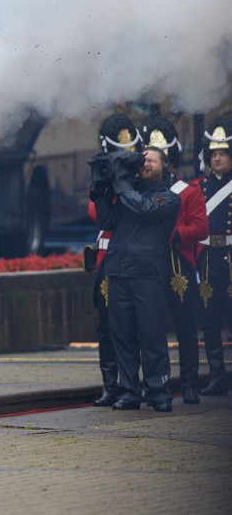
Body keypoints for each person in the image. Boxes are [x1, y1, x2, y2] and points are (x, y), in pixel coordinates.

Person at [90, 145, 180, 412]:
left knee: (151, 336)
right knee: (123, 336)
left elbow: (147, 209)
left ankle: (158, 391)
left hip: (147, 275)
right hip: (119, 272)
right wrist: (102, 189)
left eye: (152, 160)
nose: (146, 163)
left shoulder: (169, 198)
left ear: (165, 167)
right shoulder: (125, 195)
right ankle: (129, 392)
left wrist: (121, 186)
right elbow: (105, 220)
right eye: (143, 160)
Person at [140, 115, 208, 403]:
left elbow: (201, 227)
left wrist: (175, 235)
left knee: (185, 326)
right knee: (150, 328)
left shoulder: (189, 192)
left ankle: (190, 384)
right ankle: (155, 384)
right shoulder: (140, 193)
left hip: (178, 262)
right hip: (151, 263)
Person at [86, 113, 142, 406]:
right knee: (107, 325)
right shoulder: (105, 175)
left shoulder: (140, 175)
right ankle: (111, 385)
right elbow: (97, 214)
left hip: (134, 257)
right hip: (109, 259)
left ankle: (134, 384)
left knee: (136, 325)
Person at [193, 113, 232, 396]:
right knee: (209, 320)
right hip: (208, 259)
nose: (217, 158)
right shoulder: (201, 186)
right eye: (214, 153)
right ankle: (217, 376)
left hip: (231, 257)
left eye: (223, 153)